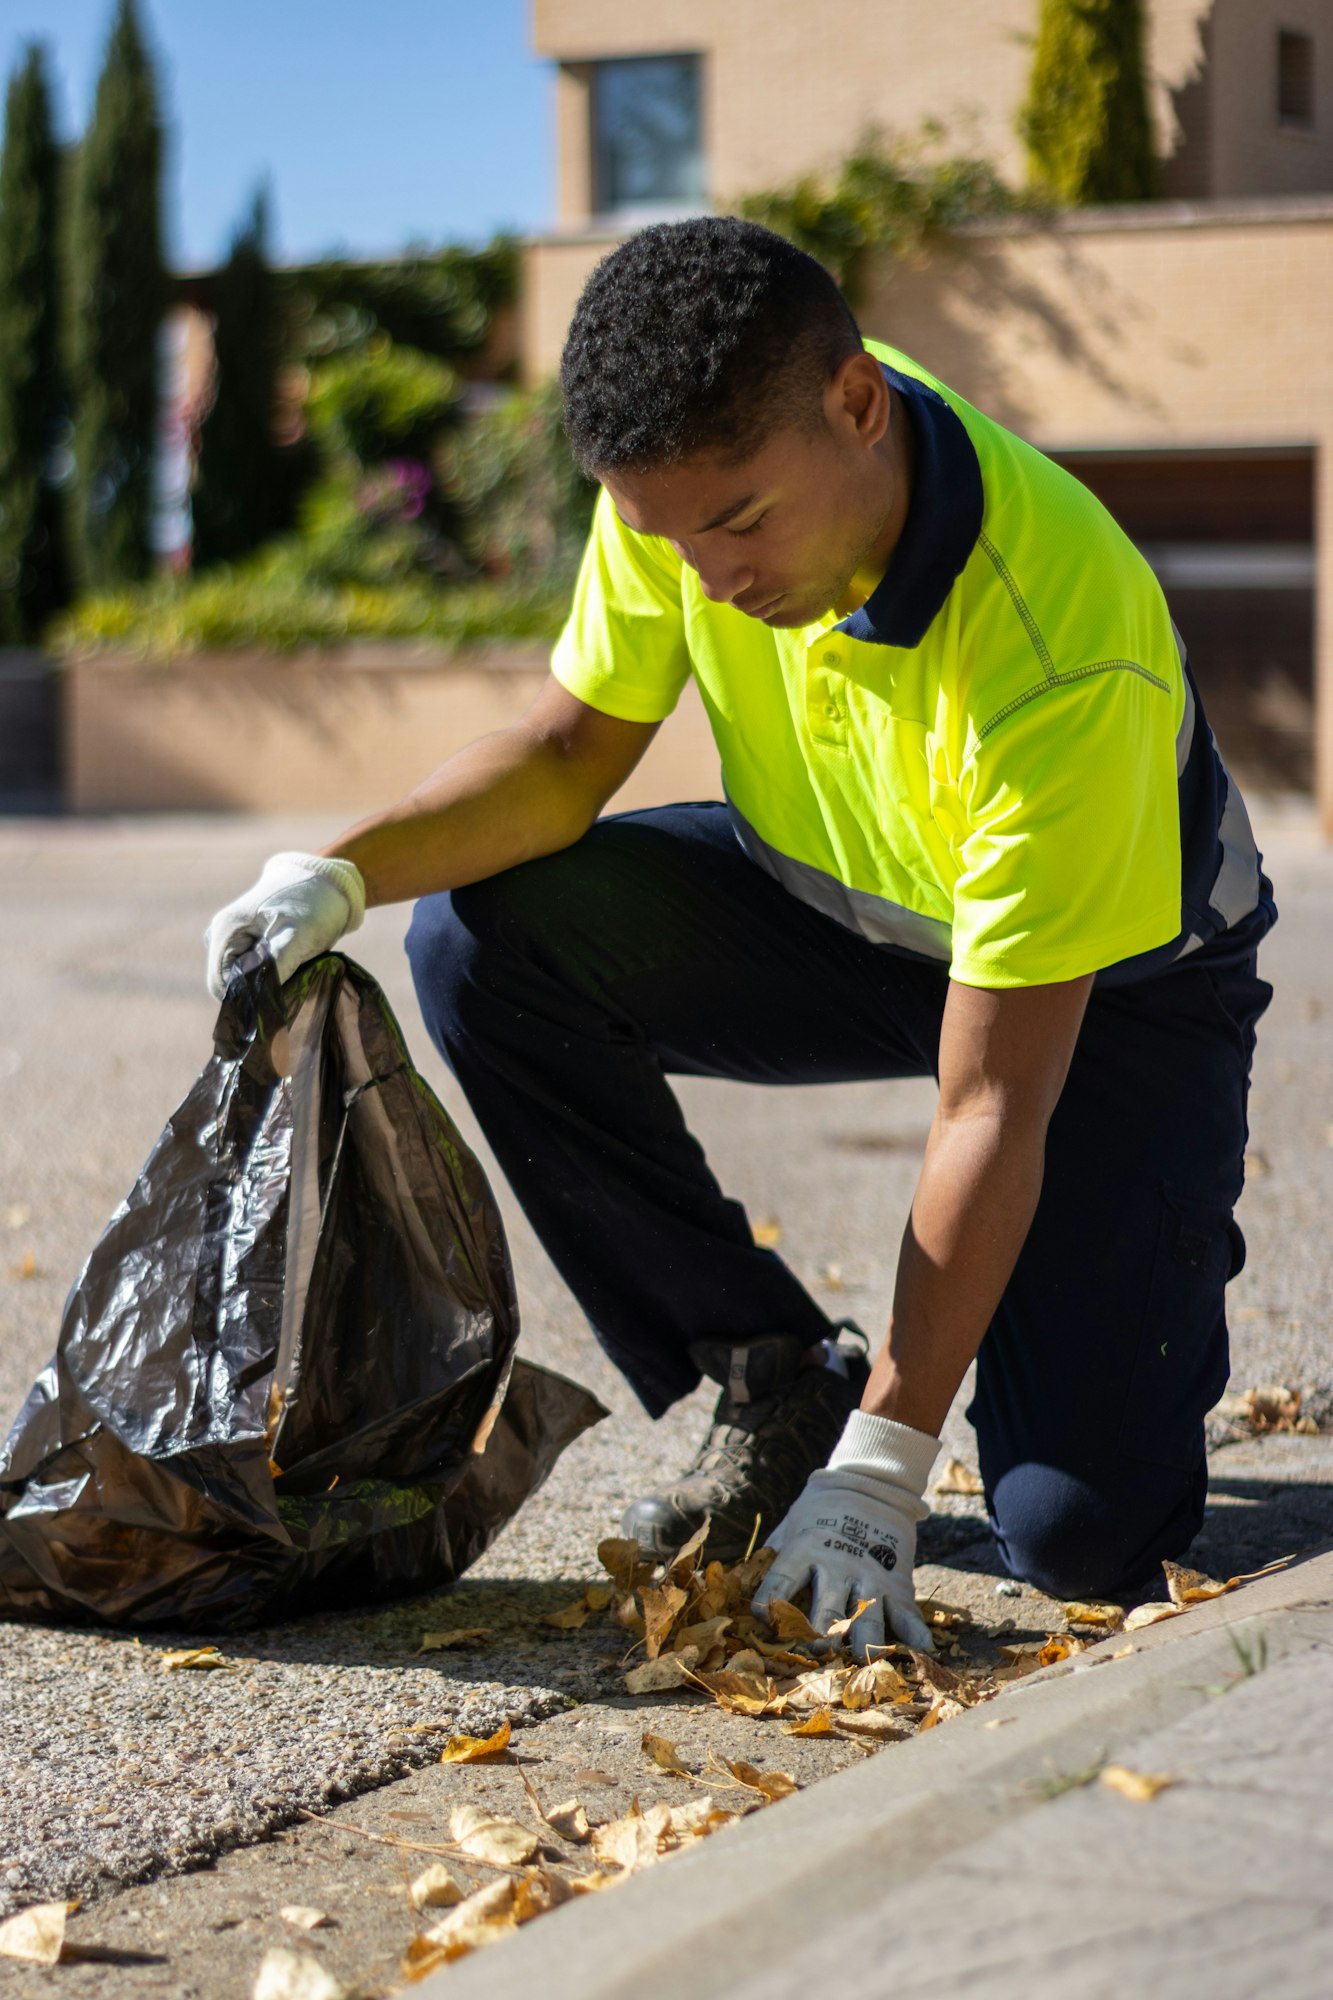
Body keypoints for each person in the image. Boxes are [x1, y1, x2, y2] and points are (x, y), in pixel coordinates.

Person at [206, 217, 1274, 1660]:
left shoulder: (1052, 639)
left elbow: (989, 1102)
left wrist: (887, 1472)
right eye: (663, 535)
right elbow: (564, 755)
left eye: (739, 525)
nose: (705, 576)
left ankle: (1124, 1253)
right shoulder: (689, 471)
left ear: (855, 408)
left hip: (1110, 993)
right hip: (837, 912)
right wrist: (331, 877)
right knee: (478, 938)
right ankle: (774, 1374)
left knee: (1082, 1537)